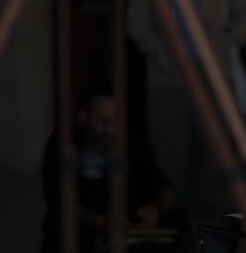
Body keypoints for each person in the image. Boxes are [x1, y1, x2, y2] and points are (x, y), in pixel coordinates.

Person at [126, 0, 246, 218]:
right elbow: (136, 19)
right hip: (169, 75)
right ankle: (177, 221)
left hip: (213, 74)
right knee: (171, 148)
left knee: (216, 152)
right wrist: (158, 51)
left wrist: (229, 41)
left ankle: (212, 226)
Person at [42, 91, 190, 253]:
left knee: (179, 219)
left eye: (115, 120)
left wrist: (154, 209)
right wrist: (100, 221)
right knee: (57, 224)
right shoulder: (64, 143)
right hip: (90, 223)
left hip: (132, 220)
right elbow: (57, 198)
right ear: (83, 116)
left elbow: (162, 185)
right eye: (102, 121)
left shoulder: (132, 138)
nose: (111, 129)